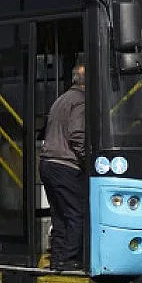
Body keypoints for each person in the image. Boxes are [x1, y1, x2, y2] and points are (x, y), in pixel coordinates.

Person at [40, 63, 86, 271]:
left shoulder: (61, 99)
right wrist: (87, 159)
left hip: (48, 163)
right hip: (66, 165)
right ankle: (69, 258)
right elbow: (77, 134)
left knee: (59, 215)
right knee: (76, 213)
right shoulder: (80, 101)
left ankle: (57, 258)